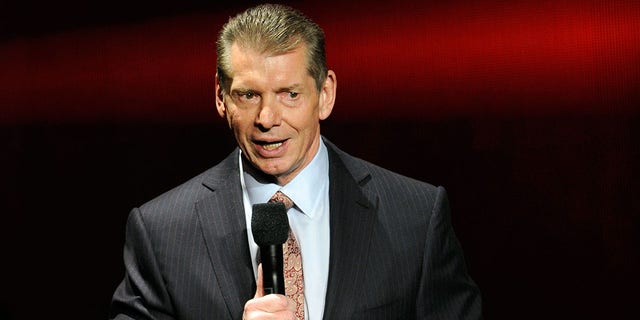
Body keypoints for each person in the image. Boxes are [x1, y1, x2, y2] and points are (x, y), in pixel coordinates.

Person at [110, 3, 482, 320]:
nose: (267, 118)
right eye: (248, 95)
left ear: (325, 95)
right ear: (221, 99)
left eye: (289, 94)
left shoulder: (415, 218)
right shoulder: (162, 232)